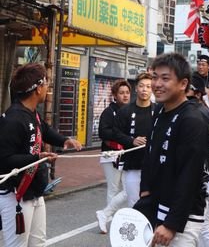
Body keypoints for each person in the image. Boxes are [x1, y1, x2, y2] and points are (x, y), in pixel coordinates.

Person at [0, 63, 82, 247]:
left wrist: (64, 140)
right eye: (46, 85)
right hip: (16, 194)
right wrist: (37, 158)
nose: (48, 89)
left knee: (38, 242)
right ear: (37, 88)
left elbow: (43, 130)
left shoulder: (31, 113)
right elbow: (4, 160)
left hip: (34, 190)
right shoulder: (12, 119)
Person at [136, 53, 209, 247]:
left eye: (165, 78)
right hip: (157, 205)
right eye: (154, 77)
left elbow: (190, 176)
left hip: (183, 217)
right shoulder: (160, 112)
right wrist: (145, 191)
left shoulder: (192, 119)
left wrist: (172, 224)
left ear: (183, 84)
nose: (157, 84)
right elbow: (149, 156)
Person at [96, 73, 154, 234]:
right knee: (133, 202)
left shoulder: (158, 110)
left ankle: (148, 235)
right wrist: (131, 140)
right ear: (137, 87)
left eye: (148, 86)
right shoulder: (125, 112)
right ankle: (133, 235)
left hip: (153, 166)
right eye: (142, 86)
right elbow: (114, 132)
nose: (145, 90)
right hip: (131, 164)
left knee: (152, 202)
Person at [187, 74, 209, 247]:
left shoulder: (197, 113)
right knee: (202, 225)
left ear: (198, 93)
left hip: (203, 176)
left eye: (187, 88)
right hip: (207, 174)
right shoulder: (202, 110)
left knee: (203, 225)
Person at [98, 79, 131, 205]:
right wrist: (122, 135)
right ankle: (108, 217)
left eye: (127, 92)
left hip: (126, 154)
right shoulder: (109, 112)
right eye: (121, 92)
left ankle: (109, 215)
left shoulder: (130, 111)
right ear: (115, 95)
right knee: (113, 189)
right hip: (111, 154)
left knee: (129, 188)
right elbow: (103, 132)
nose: (125, 95)